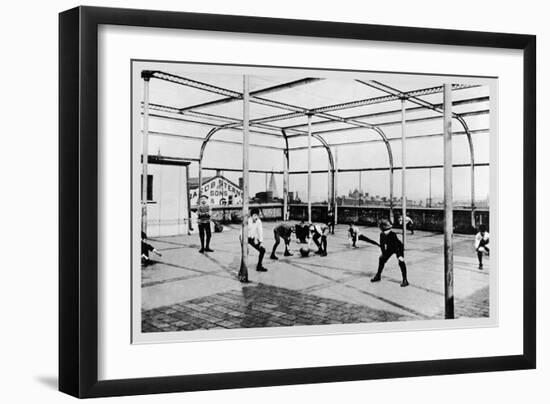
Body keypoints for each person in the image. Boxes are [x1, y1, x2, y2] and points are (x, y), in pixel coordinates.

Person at [371, 219, 409, 287]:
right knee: (381, 259)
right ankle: (378, 275)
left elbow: (397, 246)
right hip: (390, 248)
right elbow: (382, 245)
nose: (386, 232)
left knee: (401, 261)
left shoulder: (393, 234)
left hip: (398, 248)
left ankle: (405, 280)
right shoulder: (382, 235)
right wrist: (383, 254)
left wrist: (400, 256)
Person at [247, 207, 268, 272]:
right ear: (251, 215)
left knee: (262, 250)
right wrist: (245, 245)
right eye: (254, 215)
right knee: (245, 253)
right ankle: (242, 269)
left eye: (257, 215)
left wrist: (260, 241)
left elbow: (260, 231)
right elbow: (242, 232)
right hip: (245, 237)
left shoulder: (258, 221)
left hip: (252, 238)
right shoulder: (248, 221)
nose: (256, 217)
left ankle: (259, 266)